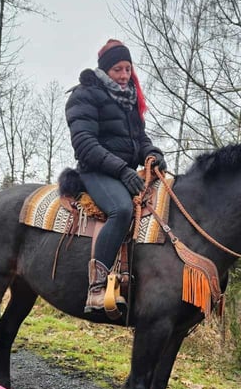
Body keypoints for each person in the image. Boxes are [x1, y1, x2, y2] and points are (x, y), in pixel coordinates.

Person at [65, 39, 167, 313]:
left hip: (125, 172)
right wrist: (122, 170)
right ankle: (97, 289)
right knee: (121, 209)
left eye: (128, 69)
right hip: (96, 170)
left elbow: (139, 139)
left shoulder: (129, 99)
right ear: (105, 70)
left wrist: (152, 154)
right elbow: (84, 143)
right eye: (117, 69)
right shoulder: (85, 95)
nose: (124, 75)